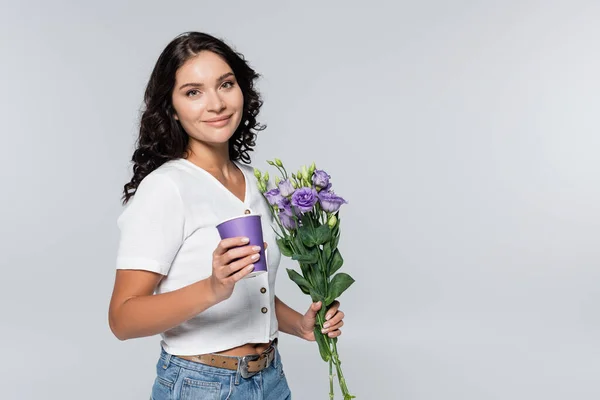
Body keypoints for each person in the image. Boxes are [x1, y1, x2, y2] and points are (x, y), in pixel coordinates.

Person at [108, 32, 346, 400]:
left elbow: (251, 291)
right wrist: (212, 287)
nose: (216, 103)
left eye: (226, 84)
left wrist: (299, 324)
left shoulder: (254, 182)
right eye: (193, 92)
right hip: (201, 384)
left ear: (242, 91)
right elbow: (122, 319)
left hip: (271, 377)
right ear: (171, 108)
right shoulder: (166, 188)